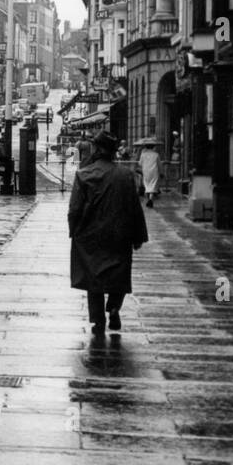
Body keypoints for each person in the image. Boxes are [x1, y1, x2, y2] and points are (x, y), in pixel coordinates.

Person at [68, 130, 148, 337]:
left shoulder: (84, 175)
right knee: (119, 275)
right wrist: (139, 236)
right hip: (119, 233)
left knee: (92, 278)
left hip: (90, 236)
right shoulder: (125, 175)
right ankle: (114, 307)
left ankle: (97, 320)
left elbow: (74, 209)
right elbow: (134, 207)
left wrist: (73, 231)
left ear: (98, 149)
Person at [138, 140, 161, 208]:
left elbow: (140, 163)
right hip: (154, 171)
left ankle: (149, 199)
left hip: (146, 171)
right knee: (153, 186)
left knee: (147, 185)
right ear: (153, 147)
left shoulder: (143, 154)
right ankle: (150, 199)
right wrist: (161, 172)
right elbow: (159, 164)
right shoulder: (156, 154)